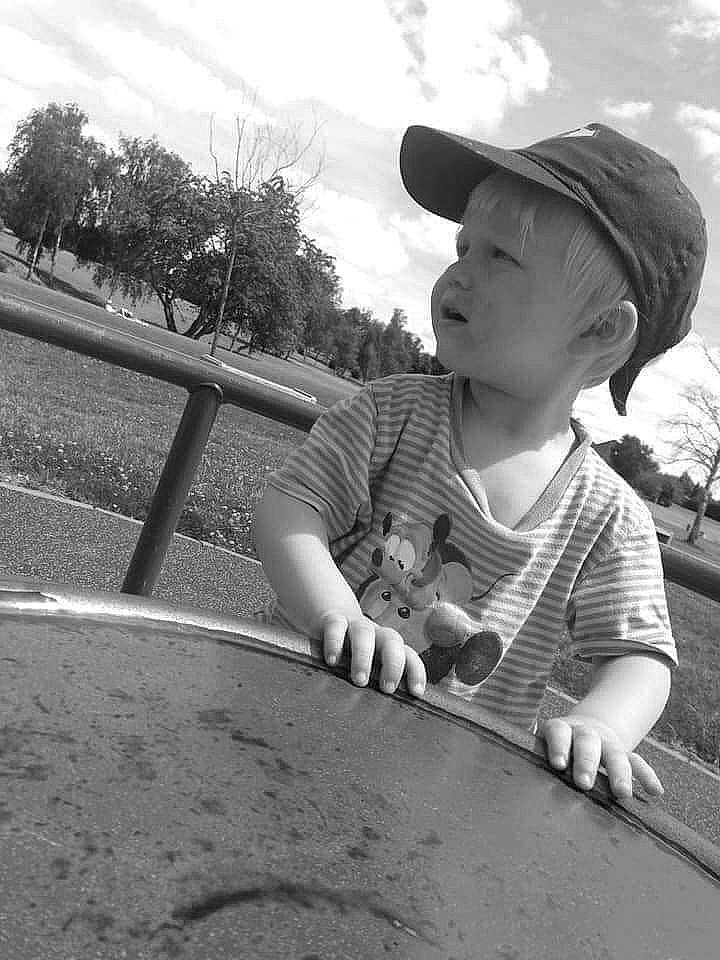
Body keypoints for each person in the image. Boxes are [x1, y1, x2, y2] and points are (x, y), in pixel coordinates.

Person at [254, 122, 706, 800]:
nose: (458, 271)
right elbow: (290, 508)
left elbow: (640, 658)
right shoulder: (394, 413)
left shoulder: (609, 517)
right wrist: (335, 614)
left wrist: (599, 724)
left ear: (600, 329)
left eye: (500, 255)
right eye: (464, 244)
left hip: (431, 797)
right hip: (282, 712)